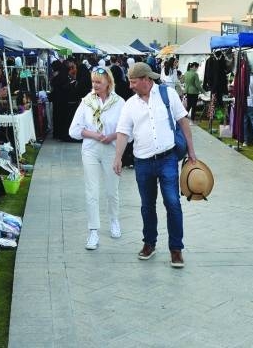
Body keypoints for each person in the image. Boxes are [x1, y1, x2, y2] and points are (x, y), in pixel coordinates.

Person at [114, 62, 197, 268]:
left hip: (168, 158)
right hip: (142, 163)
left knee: (173, 203)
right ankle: (149, 243)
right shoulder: (130, 105)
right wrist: (117, 158)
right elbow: (123, 132)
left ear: (146, 80)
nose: (131, 86)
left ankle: (176, 249)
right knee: (147, 206)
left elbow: (183, 122)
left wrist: (192, 151)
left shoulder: (168, 94)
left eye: (134, 82)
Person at [69, 66, 124, 250]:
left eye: (99, 82)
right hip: (91, 150)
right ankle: (93, 230)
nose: (95, 85)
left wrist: (112, 136)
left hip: (111, 149)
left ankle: (114, 220)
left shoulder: (119, 103)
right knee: (91, 191)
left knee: (111, 190)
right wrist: (93, 135)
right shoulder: (86, 102)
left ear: (108, 82)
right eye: (93, 82)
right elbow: (74, 130)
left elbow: (127, 131)